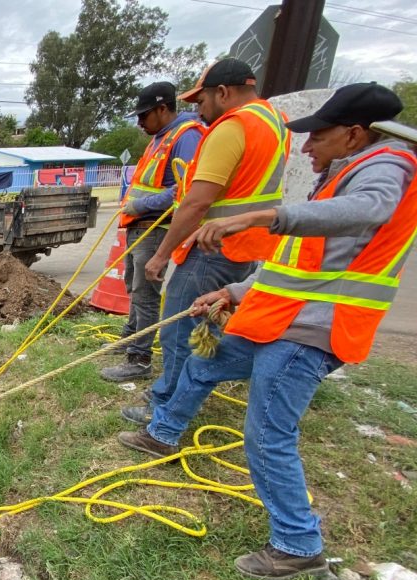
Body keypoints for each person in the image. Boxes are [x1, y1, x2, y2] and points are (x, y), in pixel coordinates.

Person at [119, 83, 417, 580]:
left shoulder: (388, 164)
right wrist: (234, 292)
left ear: (352, 134)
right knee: (204, 363)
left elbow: (370, 210)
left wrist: (268, 215)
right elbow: (299, 263)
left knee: (267, 434)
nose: (306, 148)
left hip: (313, 332)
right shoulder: (343, 172)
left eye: (317, 138)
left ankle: (297, 543)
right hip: (281, 318)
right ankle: (163, 434)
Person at [121, 58, 291, 425]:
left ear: (223, 93)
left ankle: (165, 408)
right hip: (243, 247)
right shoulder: (275, 123)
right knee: (202, 330)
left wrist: (162, 255)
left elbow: (197, 200)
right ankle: (179, 399)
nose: (198, 109)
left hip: (213, 248)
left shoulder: (232, 126)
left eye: (201, 102)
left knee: (179, 331)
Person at [101, 81, 203, 382]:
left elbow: (186, 191)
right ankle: (131, 337)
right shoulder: (162, 137)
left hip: (156, 227)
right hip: (140, 226)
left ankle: (140, 359)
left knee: (146, 293)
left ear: (163, 108)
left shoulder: (187, 137)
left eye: (144, 115)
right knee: (134, 286)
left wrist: (143, 205)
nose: (139, 122)